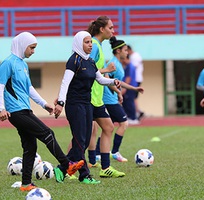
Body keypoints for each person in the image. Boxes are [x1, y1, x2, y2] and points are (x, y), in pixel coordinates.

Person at [0, 32, 84, 191]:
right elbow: (0, 86)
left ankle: (26, 184)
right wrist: (1, 108)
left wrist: (44, 104)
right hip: (16, 112)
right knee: (48, 133)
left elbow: (29, 89)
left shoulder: (23, 65)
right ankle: (67, 165)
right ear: (22, 45)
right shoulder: (7, 63)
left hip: (25, 110)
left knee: (30, 147)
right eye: (31, 48)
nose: (33, 51)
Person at [54, 30, 121, 184]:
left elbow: (100, 79)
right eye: (86, 42)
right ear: (79, 43)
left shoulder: (90, 61)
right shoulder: (74, 61)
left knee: (83, 141)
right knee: (80, 139)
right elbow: (65, 83)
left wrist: (112, 82)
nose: (90, 45)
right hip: (74, 105)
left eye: (91, 42)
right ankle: (85, 175)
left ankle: (62, 168)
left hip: (87, 104)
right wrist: (61, 102)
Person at [85, 15, 126, 178]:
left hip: (97, 99)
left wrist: (116, 89)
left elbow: (98, 74)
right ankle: (67, 166)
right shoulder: (93, 46)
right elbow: (86, 70)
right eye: (111, 27)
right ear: (102, 29)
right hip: (88, 98)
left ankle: (105, 168)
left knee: (108, 128)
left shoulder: (99, 46)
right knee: (82, 135)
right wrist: (107, 70)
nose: (113, 31)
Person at [99, 36, 143, 162]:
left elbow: (117, 82)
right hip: (109, 100)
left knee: (108, 127)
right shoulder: (113, 64)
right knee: (124, 123)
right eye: (125, 50)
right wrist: (118, 92)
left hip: (111, 99)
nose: (127, 52)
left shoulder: (117, 64)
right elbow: (108, 81)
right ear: (118, 51)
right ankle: (115, 152)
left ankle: (97, 152)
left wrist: (134, 89)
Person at [121, 55, 139, 124]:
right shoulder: (128, 66)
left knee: (129, 102)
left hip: (130, 87)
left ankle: (133, 117)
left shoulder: (130, 66)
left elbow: (128, 78)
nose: (123, 61)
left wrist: (124, 88)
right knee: (126, 102)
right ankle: (129, 116)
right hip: (129, 87)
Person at [127, 45, 144, 120]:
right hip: (137, 78)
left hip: (135, 79)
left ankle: (136, 113)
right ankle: (138, 111)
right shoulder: (137, 55)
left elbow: (133, 67)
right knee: (134, 98)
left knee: (132, 97)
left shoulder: (134, 57)